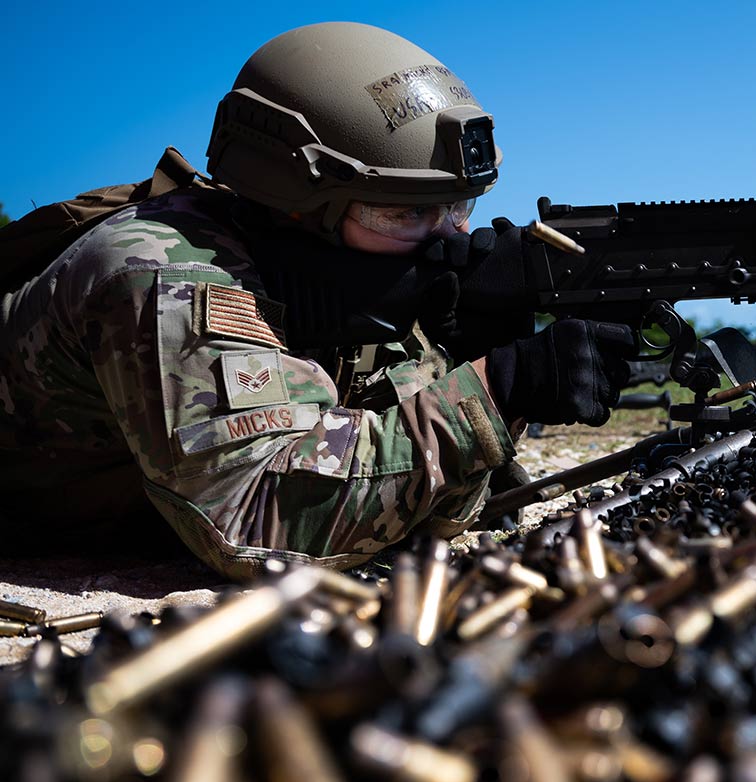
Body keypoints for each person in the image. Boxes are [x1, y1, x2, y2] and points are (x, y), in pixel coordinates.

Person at [0, 22, 633, 579]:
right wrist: (499, 389)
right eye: (405, 213)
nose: (449, 238)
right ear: (299, 208)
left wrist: (466, 360)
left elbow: (410, 509)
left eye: (457, 206)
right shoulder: (166, 272)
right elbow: (260, 525)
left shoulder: (347, 281)